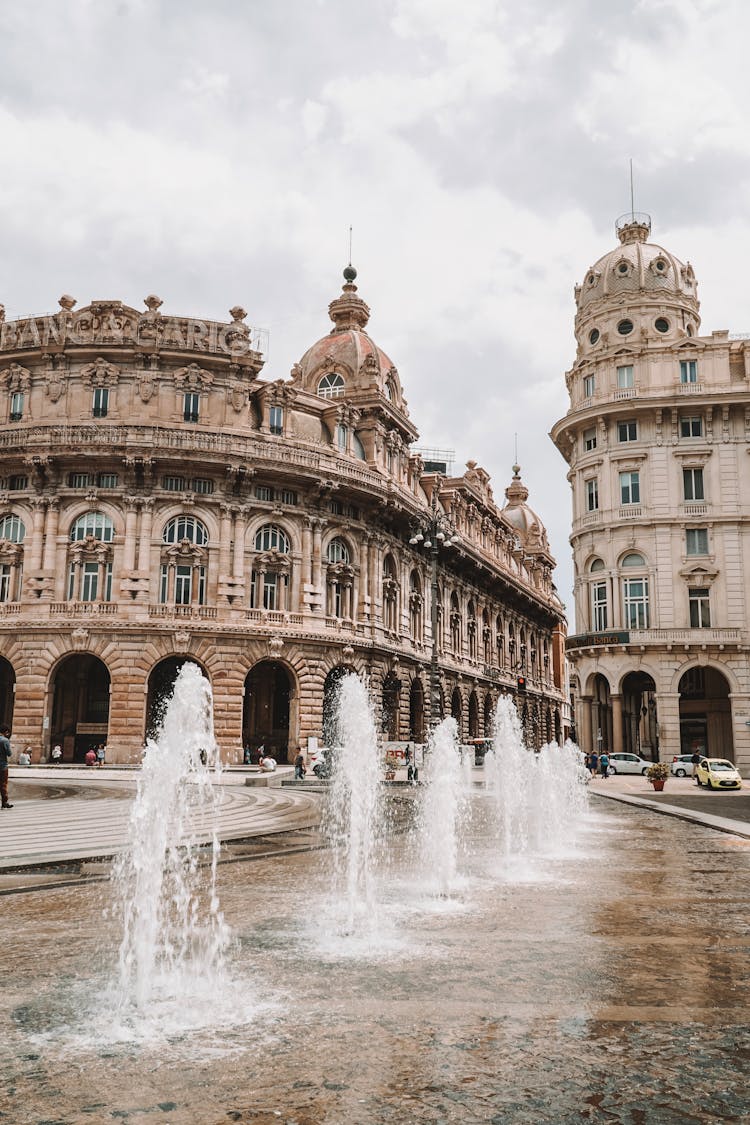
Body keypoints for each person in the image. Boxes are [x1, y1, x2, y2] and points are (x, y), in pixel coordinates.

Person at [0, 726, 13, 807]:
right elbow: (9, 754)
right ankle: (4, 802)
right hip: (2, 766)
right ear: (6, 732)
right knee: (3, 784)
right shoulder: (5, 740)